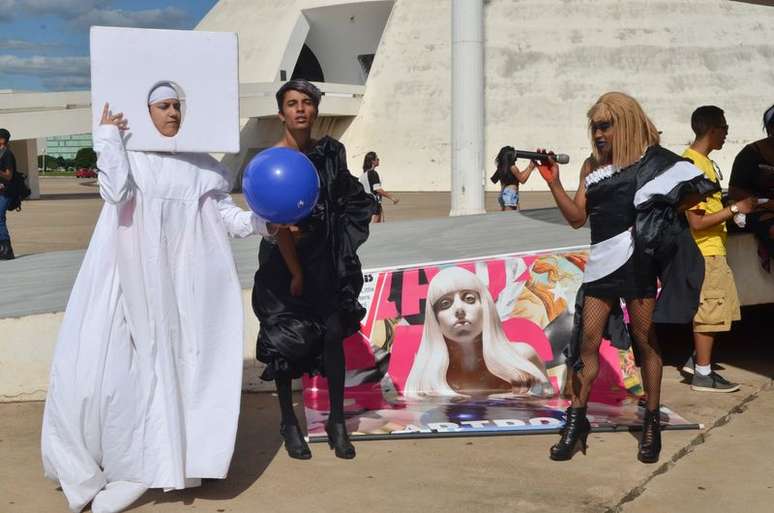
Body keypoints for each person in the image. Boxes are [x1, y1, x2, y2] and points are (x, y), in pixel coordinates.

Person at [41, 83, 275, 513]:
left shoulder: (202, 167)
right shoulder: (132, 159)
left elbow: (224, 215)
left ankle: (174, 462)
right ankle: (128, 463)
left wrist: (264, 223)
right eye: (164, 106)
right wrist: (108, 137)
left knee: (186, 366)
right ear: (146, 111)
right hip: (130, 278)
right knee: (116, 374)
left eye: (177, 106)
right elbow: (115, 194)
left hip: (187, 283)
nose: (172, 113)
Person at [536, 92, 717, 464]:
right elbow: (576, 218)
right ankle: (577, 421)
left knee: (645, 342)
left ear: (626, 124)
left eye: (606, 125)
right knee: (586, 346)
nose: (599, 133)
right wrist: (553, 182)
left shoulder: (651, 163)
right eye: (595, 127)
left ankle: (650, 420)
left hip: (638, 264)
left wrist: (666, 219)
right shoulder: (591, 166)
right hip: (601, 265)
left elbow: (688, 192)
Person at [251, 79, 375, 460]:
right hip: (283, 261)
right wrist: (296, 271)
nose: (300, 109)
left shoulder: (330, 153)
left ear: (315, 110)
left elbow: (346, 196)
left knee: (332, 334)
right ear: (281, 113)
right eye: (292, 103)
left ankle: (337, 422)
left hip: (325, 256)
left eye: (307, 102)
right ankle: (289, 422)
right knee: (284, 344)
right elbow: (279, 225)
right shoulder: (273, 161)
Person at [682, 106, 756, 392]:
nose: (726, 134)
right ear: (713, 129)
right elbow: (697, 221)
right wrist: (737, 208)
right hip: (705, 249)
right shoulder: (691, 167)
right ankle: (702, 374)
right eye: (724, 128)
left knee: (721, 309)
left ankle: (698, 361)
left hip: (714, 248)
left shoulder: (704, 163)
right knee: (710, 312)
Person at [403, 266, 553, 399]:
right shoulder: (425, 374)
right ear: (435, 318)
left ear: (485, 306)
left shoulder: (523, 357)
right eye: (445, 304)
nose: (459, 310)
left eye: (469, 299)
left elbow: (549, 412)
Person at [728, 104, 774, 270]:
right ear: (770, 128)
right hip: (759, 209)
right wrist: (766, 203)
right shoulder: (749, 155)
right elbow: (734, 190)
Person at [490, 145, 535, 211]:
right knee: (511, 219)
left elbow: (494, 180)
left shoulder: (501, 167)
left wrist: (528, 167)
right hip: (510, 194)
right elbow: (522, 180)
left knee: (512, 218)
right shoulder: (513, 167)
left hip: (503, 194)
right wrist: (530, 168)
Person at [359, 151, 398, 223]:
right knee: (376, 228)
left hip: (366, 204)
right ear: (372, 161)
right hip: (373, 203)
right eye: (377, 159)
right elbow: (377, 189)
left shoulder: (363, 175)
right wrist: (392, 197)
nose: (378, 160)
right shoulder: (373, 173)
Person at [0, 128, 17, 260]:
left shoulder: (7, 154)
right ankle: (3, 248)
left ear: (3, 139)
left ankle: (7, 249)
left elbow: (9, 175)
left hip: (6, 192)